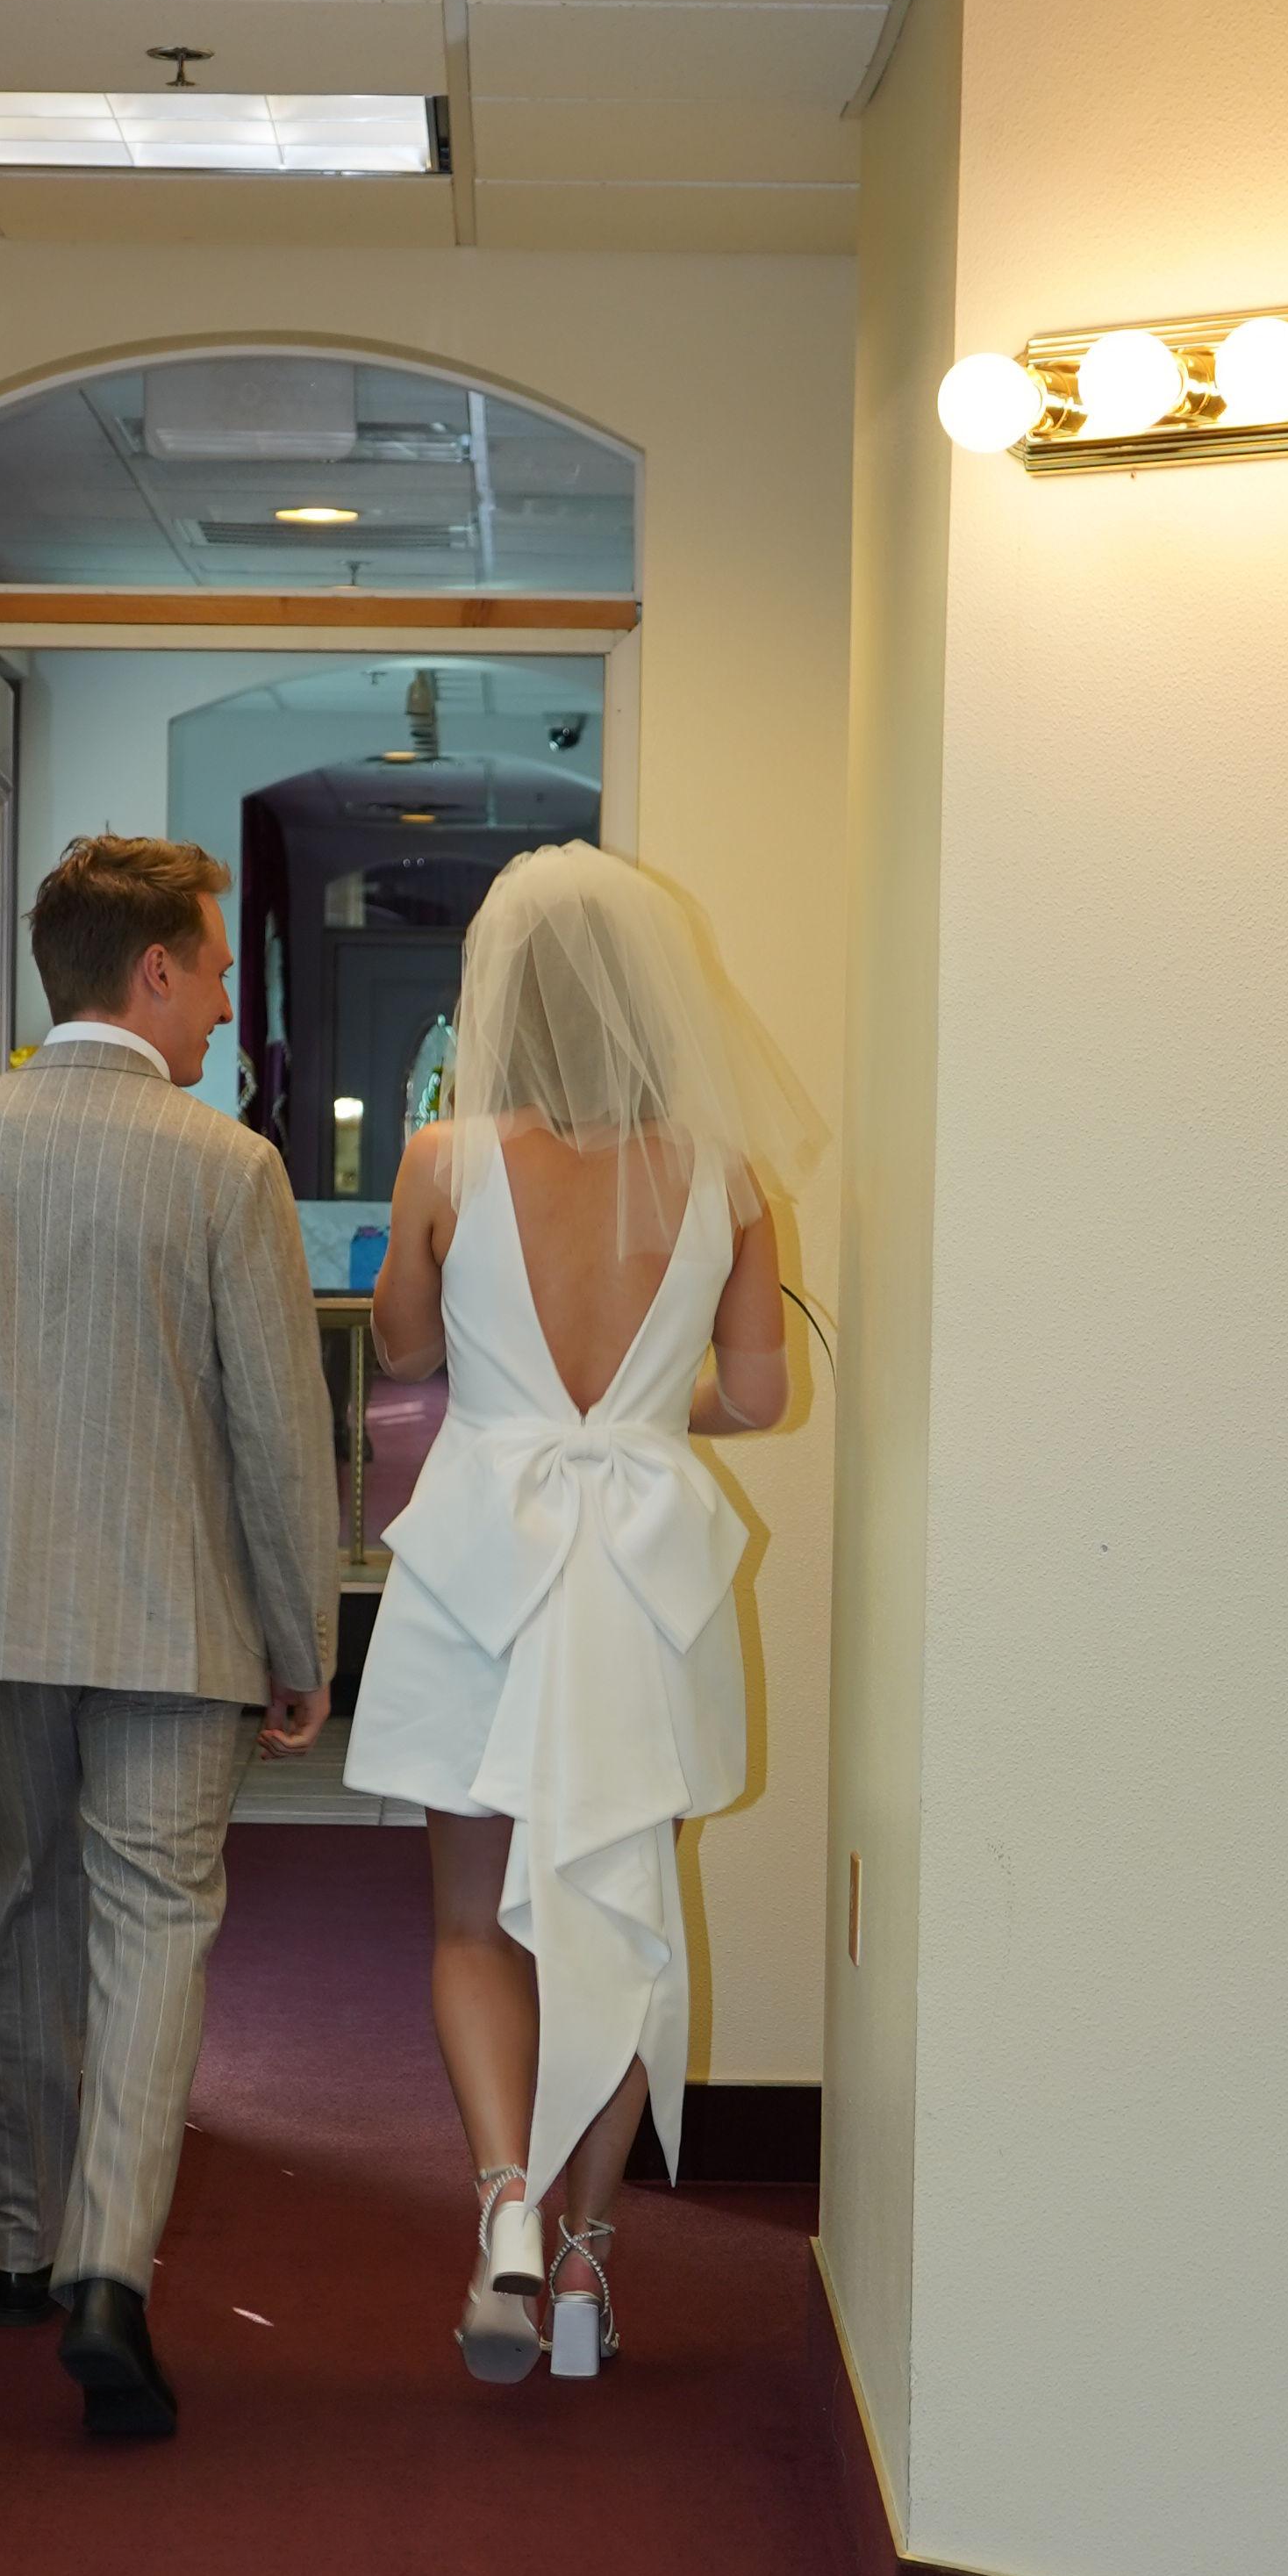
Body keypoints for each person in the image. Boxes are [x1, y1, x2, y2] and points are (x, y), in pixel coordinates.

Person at [0, 831, 337, 2443]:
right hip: (175, 1623)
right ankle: (109, 2276)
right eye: (214, 975)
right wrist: (302, 1636)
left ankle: (20, 2240)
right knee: (154, 1927)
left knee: (21, 1899)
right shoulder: (228, 1169)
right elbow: (278, 1437)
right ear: (154, 970)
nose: (225, 1011)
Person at [345, 843, 808, 2382]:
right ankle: (592, 2266)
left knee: (472, 1920)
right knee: (627, 1909)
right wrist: (640, 1420)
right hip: (643, 1575)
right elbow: (761, 1395)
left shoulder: (445, 1160)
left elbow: (403, 1353)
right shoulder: (727, 1176)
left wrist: (523, 1394)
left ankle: (503, 2208)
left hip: (489, 1560)